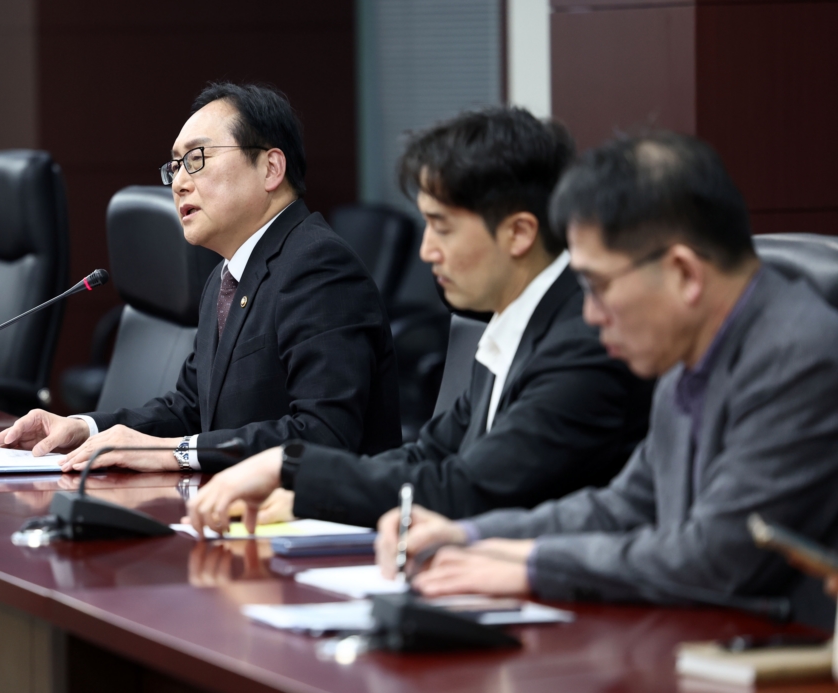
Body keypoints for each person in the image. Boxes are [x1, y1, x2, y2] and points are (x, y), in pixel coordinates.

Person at [372, 131, 838, 621]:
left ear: (684, 273)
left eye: (597, 286)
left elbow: (717, 557)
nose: (590, 314)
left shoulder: (800, 358)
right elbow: (622, 509)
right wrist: (471, 535)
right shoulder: (686, 364)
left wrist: (530, 566)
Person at [185, 107, 653, 534]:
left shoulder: (583, 341)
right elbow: (429, 452)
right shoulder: (516, 326)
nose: (427, 250)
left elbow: (466, 489)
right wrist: (299, 487)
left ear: (519, 233)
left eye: (442, 226)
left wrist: (291, 469)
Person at [0, 82, 401, 473]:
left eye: (197, 159)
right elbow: (190, 407)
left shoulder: (318, 266)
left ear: (271, 168)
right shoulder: (227, 274)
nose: (179, 182)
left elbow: (325, 435)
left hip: (321, 535)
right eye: (176, 166)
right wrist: (85, 428)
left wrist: (174, 452)